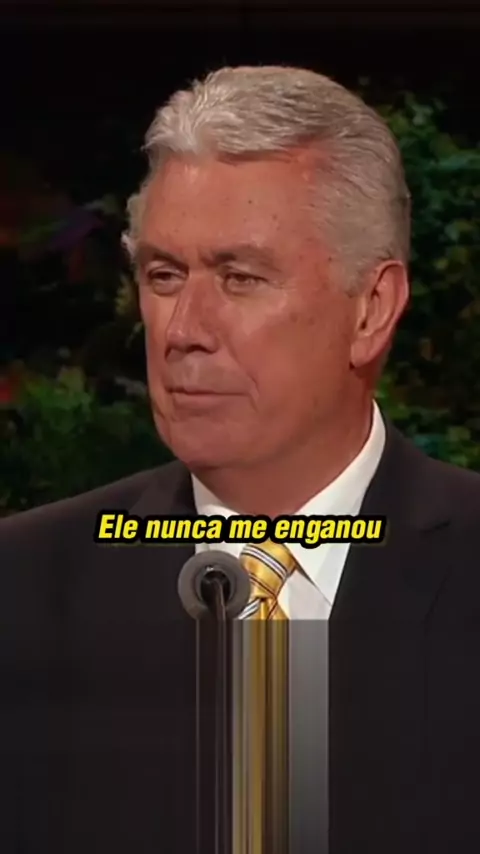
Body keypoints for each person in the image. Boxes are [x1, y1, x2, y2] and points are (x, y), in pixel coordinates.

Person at [1, 65, 480, 854]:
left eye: (241, 277)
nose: (184, 329)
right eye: (164, 276)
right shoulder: (20, 592)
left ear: (371, 310)